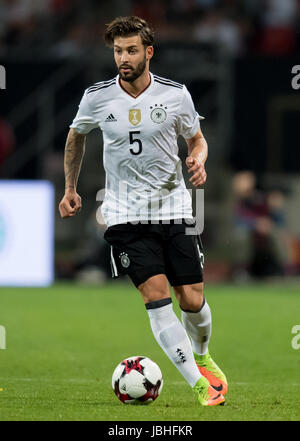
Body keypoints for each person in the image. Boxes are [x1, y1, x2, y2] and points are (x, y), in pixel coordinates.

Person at [59, 15, 227, 407]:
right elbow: (76, 135)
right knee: (156, 297)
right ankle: (199, 385)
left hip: (175, 209)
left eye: (132, 50)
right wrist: (69, 187)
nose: (124, 58)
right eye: (118, 51)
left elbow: (197, 139)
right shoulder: (97, 97)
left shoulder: (175, 95)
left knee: (192, 299)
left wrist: (199, 159)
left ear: (148, 52)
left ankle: (202, 357)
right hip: (124, 216)